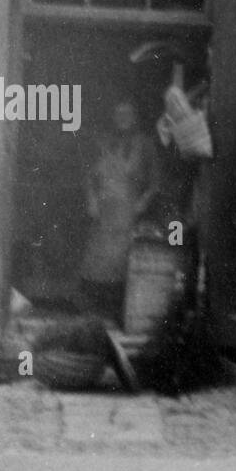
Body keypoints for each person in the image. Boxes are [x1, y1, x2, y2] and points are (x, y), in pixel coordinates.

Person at [78, 99, 158, 323]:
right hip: (103, 211)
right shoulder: (103, 142)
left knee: (121, 261)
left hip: (127, 211)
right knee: (97, 261)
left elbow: (155, 183)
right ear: (113, 118)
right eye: (118, 114)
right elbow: (88, 177)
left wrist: (142, 202)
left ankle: (116, 313)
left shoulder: (145, 144)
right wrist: (92, 200)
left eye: (128, 114)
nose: (123, 118)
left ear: (135, 118)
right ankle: (94, 314)